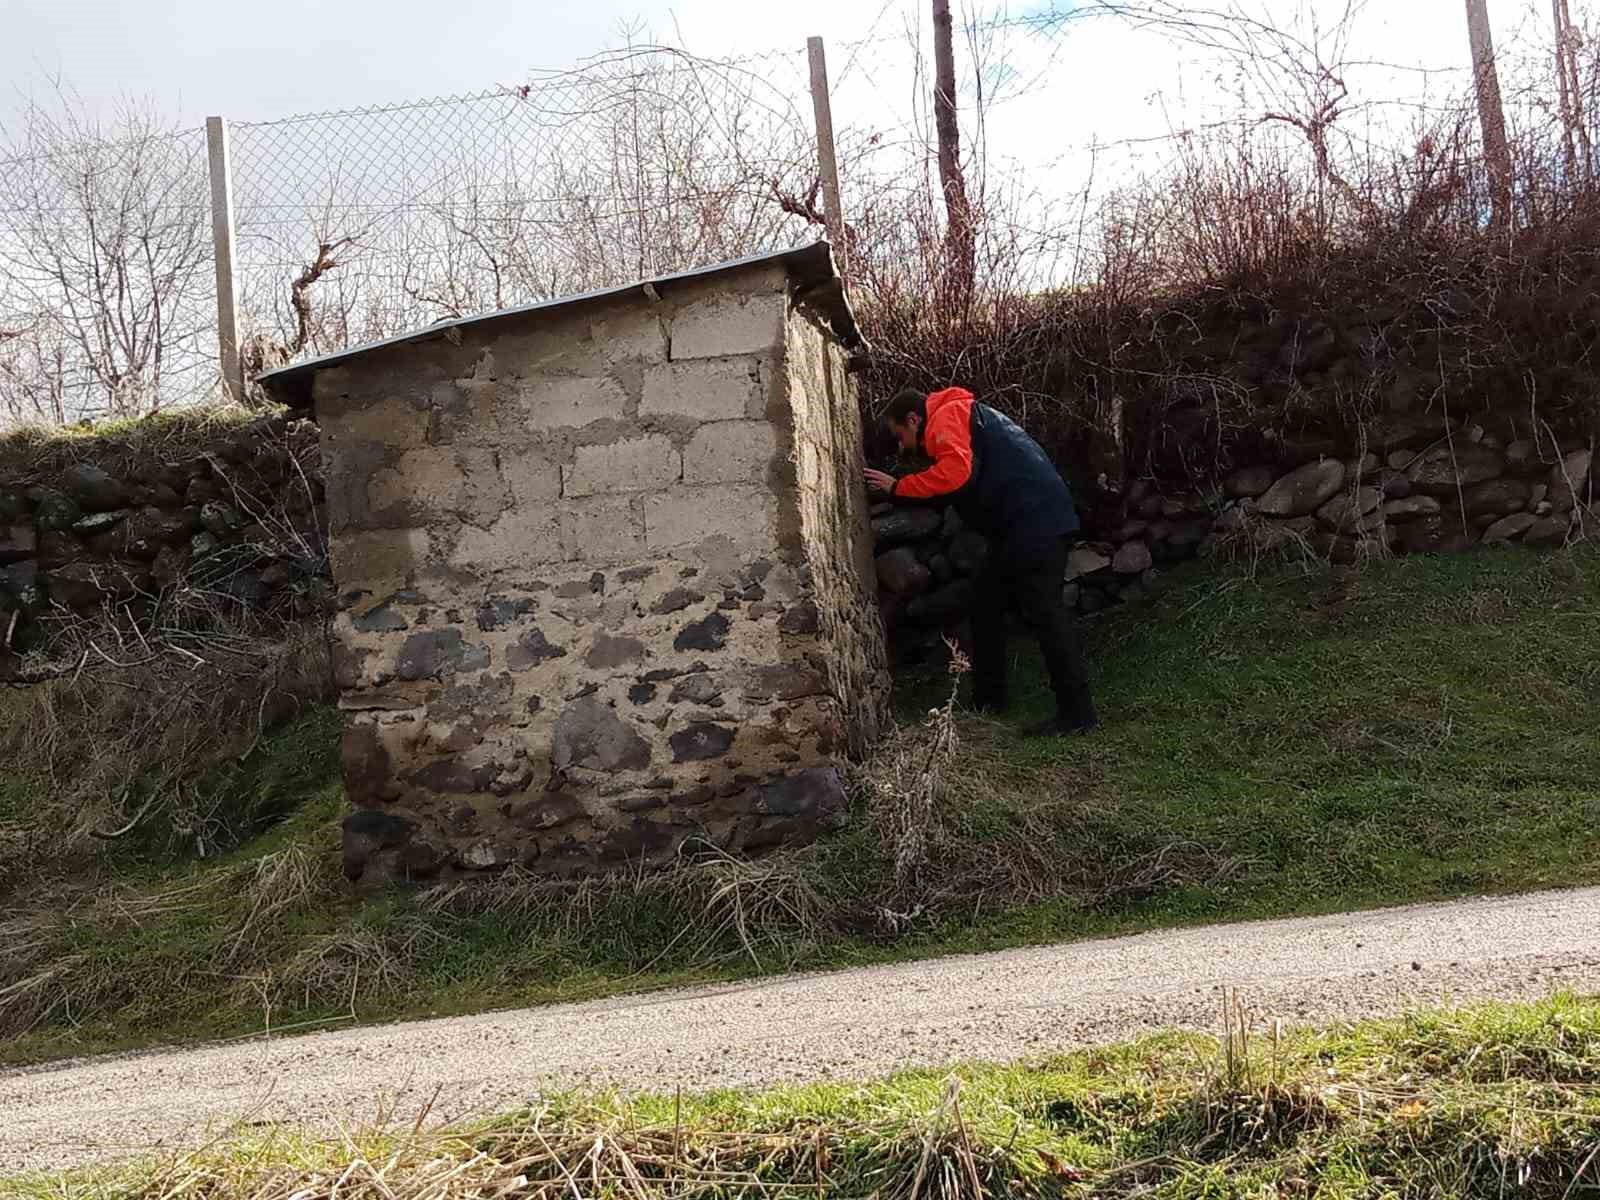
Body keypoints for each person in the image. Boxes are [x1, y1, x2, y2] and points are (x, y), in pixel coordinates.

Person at [864, 386, 1097, 736]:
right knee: (985, 601)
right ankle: (990, 699)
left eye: (901, 436)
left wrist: (899, 487)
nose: (903, 447)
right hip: (1025, 525)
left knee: (1046, 614)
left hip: (1036, 523)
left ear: (914, 419)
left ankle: (1078, 715)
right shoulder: (960, 414)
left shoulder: (945, 417)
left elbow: (956, 474)